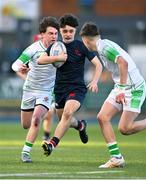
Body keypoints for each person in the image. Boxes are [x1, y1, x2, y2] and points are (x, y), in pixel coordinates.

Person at [79, 22, 146, 168]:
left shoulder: (105, 48)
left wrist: (121, 89)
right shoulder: (102, 46)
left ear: (85, 40)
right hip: (122, 86)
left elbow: (123, 63)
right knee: (102, 117)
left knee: (124, 129)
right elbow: (117, 66)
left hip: (134, 88)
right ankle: (116, 158)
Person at [38, 14, 103, 156]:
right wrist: (57, 58)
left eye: (71, 31)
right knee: (64, 120)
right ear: (60, 31)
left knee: (67, 113)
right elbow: (40, 60)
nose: (68, 34)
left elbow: (98, 65)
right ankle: (81, 125)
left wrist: (94, 81)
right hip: (60, 89)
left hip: (77, 89)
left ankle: (52, 144)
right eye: (64, 31)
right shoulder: (56, 47)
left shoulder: (81, 46)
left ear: (75, 31)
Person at [11, 16, 67, 163]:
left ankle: (26, 152)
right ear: (42, 34)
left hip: (46, 91)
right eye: (50, 33)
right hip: (29, 89)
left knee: (37, 119)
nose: (54, 36)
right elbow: (15, 65)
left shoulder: (60, 49)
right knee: (26, 125)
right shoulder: (33, 49)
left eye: (56, 33)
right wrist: (21, 67)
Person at [16, 33, 55, 141]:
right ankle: (79, 125)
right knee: (26, 124)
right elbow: (19, 69)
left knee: (49, 113)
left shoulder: (55, 52)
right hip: (31, 89)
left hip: (49, 89)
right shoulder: (33, 54)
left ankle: (46, 136)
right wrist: (26, 77)